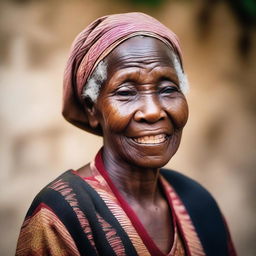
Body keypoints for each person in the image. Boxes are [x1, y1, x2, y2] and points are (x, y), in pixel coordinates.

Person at [16, 12, 236, 256]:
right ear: (92, 109)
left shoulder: (198, 203)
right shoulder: (60, 216)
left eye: (168, 89)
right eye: (126, 92)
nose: (152, 111)